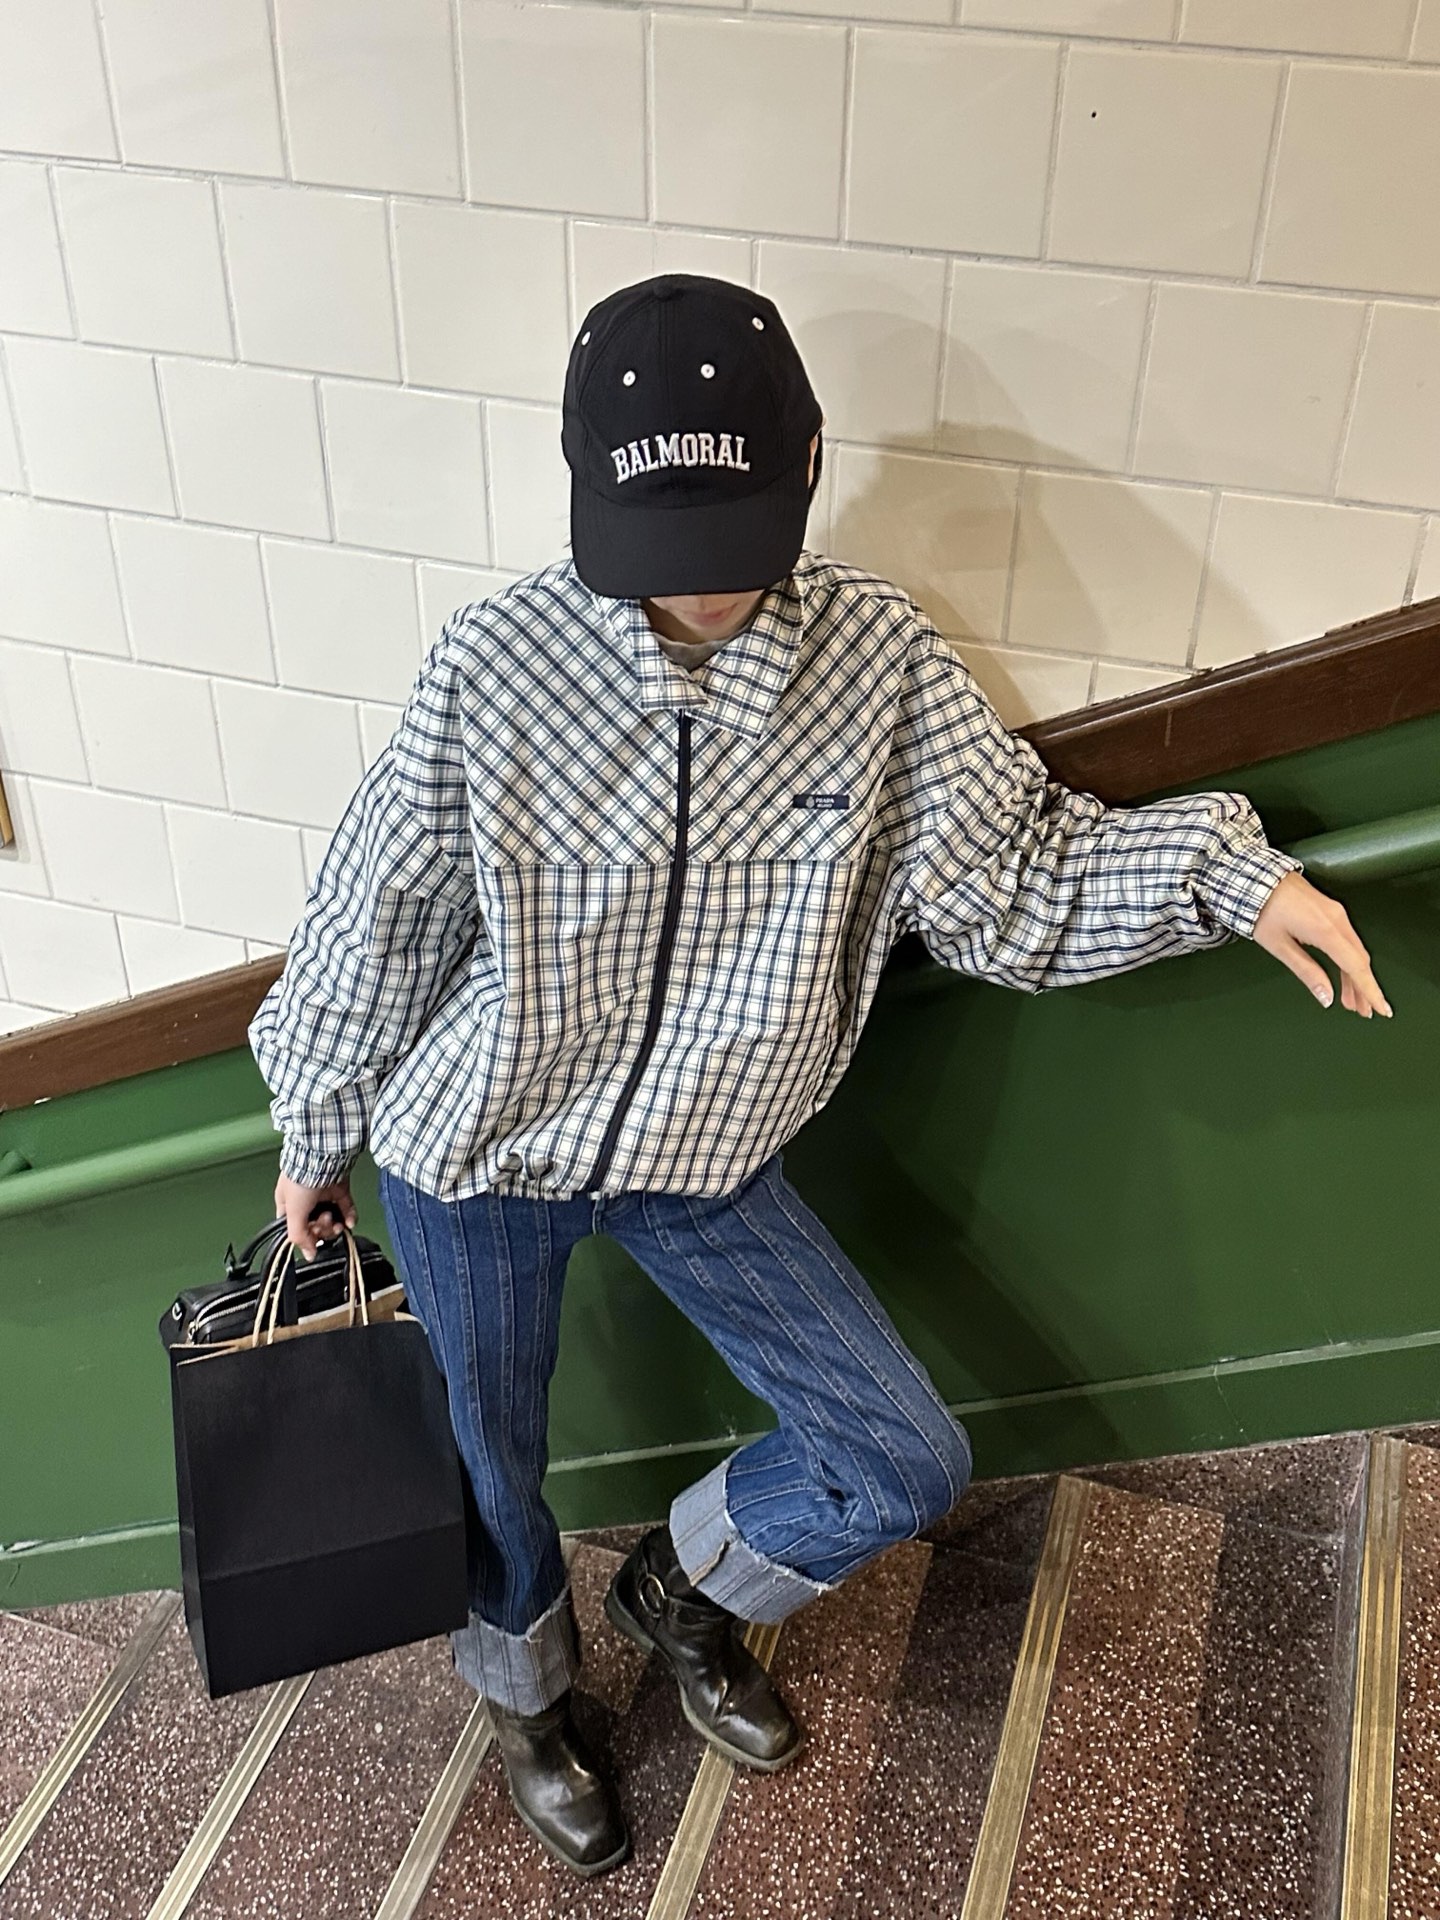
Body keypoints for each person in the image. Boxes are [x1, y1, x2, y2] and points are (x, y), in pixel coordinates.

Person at [247, 274, 1392, 1879]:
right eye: (662, 549)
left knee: (899, 1455)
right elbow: (380, 910)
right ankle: (525, 1696)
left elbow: (1011, 878)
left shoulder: (877, 665)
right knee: (487, 1455)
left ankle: (683, 1591)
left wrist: (1232, 880)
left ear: (804, 465)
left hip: (710, 1151)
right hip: (478, 1147)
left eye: (735, 540)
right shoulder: (495, 664)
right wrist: (316, 1128)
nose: (703, 589)